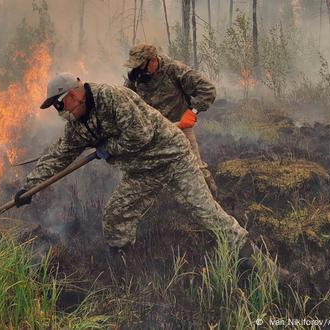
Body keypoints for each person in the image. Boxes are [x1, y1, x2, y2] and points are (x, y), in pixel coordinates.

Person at [14, 72, 251, 258]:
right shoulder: (77, 125)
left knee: (205, 212)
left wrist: (109, 149)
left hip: (172, 157)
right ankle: (125, 266)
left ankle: (258, 264)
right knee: (116, 216)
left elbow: (141, 134)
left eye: (59, 105)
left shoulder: (112, 97)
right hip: (142, 170)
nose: (59, 112)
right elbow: (60, 155)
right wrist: (29, 187)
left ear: (73, 96)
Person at [123, 44, 218, 197]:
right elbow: (126, 101)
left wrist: (192, 112)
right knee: (145, 176)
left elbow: (208, 89)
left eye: (141, 66)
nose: (139, 71)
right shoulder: (136, 77)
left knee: (196, 171)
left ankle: (214, 202)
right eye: (136, 67)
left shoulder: (174, 70)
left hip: (179, 129)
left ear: (153, 60)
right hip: (152, 133)